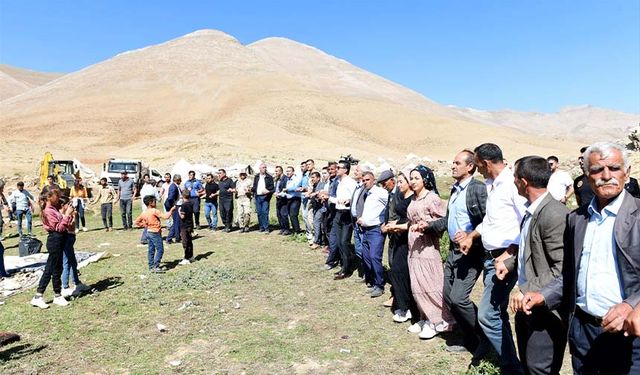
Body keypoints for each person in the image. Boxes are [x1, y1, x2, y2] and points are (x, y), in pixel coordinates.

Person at [534, 142, 640, 374]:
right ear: (586, 175)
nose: (605, 176)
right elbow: (571, 273)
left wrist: (633, 305)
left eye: (614, 168)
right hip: (583, 330)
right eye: (596, 170)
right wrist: (543, 295)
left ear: (628, 172)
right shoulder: (577, 219)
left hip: (630, 335)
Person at [459, 143, 526, 374]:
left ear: (486, 163)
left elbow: (527, 221)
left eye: (478, 166)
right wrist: (472, 235)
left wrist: (511, 252)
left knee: (488, 315)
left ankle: (512, 367)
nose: (478, 171)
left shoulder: (511, 184)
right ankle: (508, 358)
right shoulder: (492, 186)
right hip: (491, 258)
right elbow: (491, 221)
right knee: (497, 312)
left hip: (505, 259)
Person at [503, 156, 568, 375]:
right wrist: (510, 264)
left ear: (523, 181)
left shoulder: (554, 214)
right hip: (528, 302)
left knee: (541, 369)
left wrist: (525, 289)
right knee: (530, 365)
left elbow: (561, 268)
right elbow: (531, 248)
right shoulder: (533, 210)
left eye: (514, 177)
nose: (512, 181)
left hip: (545, 307)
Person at [426, 150, 488, 355]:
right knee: (448, 296)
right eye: (452, 162)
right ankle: (468, 338)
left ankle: (484, 337)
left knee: (459, 298)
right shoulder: (455, 190)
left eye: (457, 163)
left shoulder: (477, 189)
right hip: (453, 251)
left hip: (470, 252)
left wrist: (471, 235)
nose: (452, 166)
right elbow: (449, 220)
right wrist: (427, 226)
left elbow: (489, 220)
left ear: (470, 166)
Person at [405, 166, 454, 340]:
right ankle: (424, 317)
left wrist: (427, 225)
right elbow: (410, 221)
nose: (412, 181)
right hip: (413, 246)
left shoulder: (431, 198)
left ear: (425, 179)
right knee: (417, 284)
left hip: (427, 246)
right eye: (411, 178)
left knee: (429, 283)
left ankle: (438, 321)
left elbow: (443, 220)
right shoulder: (413, 199)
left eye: (416, 178)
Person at [31, 188, 75, 309]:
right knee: (52, 269)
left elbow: (64, 225)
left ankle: (50, 295)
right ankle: (44, 295)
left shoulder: (54, 209)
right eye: (57, 195)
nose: (59, 197)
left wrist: (68, 214)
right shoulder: (48, 211)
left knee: (54, 269)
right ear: (50, 197)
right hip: (55, 240)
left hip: (59, 240)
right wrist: (66, 215)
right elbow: (59, 228)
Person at [383, 172, 417, 323]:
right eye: (398, 182)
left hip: (407, 238)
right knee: (398, 271)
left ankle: (406, 307)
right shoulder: (402, 197)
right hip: (399, 236)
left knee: (400, 271)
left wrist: (397, 226)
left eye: (402, 182)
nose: (399, 184)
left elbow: (414, 220)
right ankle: (403, 304)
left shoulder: (413, 199)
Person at [357, 171, 388, 298]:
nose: (365, 182)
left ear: (374, 180)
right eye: (363, 180)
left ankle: (380, 285)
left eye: (367, 180)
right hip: (366, 229)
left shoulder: (381, 192)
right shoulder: (368, 194)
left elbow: (390, 205)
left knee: (375, 256)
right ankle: (374, 281)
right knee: (366, 257)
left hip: (376, 229)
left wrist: (385, 221)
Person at [330, 160, 357, 280]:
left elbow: (354, 198)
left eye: (339, 167)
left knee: (344, 242)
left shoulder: (350, 182)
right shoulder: (339, 182)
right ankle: (343, 265)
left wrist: (347, 201)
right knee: (339, 241)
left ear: (346, 170)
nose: (336, 169)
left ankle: (347, 268)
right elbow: (337, 198)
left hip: (346, 213)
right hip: (338, 213)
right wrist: (332, 199)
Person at [135, 195, 175, 273]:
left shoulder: (144, 212)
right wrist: (171, 210)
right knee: (160, 249)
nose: (155, 202)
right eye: (154, 201)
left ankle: (151, 266)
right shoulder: (155, 211)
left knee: (151, 249)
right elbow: (166, 217)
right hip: (155, 232)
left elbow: (137, 222)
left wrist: (145, 225)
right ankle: (156, 266)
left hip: (148, 232)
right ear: (151, 203)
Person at [60, 212, 91, 298]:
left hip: (70, 240)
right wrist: (73, 217)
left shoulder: (67, 214)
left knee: (73, 263)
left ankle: (77, 283)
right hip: (66, 241)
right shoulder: (62, 215)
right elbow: (71, 227)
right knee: (66, 263)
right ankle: (65, 287)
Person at [252, 163, 275, 233]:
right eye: (263, 167)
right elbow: (254, 187)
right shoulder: (256, 177)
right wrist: (250, 189)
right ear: (259, 168)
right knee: (259, 212)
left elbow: (272, 189)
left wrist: (268, 192)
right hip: (257, 197)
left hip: (265, 197)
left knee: (265, 212)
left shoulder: (269, 177)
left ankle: (266, 228)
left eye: (265, 167)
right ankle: (261, 227)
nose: (264, 169)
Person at [281, 166, 302, 234]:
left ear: (293, 172)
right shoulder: (288, 180)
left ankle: (297, 231)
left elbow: (296, 187)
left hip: (295, 198)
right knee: (290, 215)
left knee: (293, 215)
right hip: (289, 199)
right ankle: (294, 230)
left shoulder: (296, 179)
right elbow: (285, 191)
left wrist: (287, 189)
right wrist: (280, 194)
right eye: (287, 171)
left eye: (289, 171)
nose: (288, 173)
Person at [139, 176, 160, 244]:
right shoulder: (153, 189)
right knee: (150, 223)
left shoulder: (143, 188)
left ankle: (146, 237)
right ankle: (145, 238)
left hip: (144, 207)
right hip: (151, 209)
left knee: (147, 222)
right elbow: (158, 198)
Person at [178, 190, 195, 265]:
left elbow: (182, 216)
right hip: (190, 224)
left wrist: (179, 211)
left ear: (182, 196)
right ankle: (191, 256)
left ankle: (186, 258)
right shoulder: (191, 203)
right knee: (190, 241)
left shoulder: (183, 205)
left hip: (184, 226)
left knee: (185, 242)